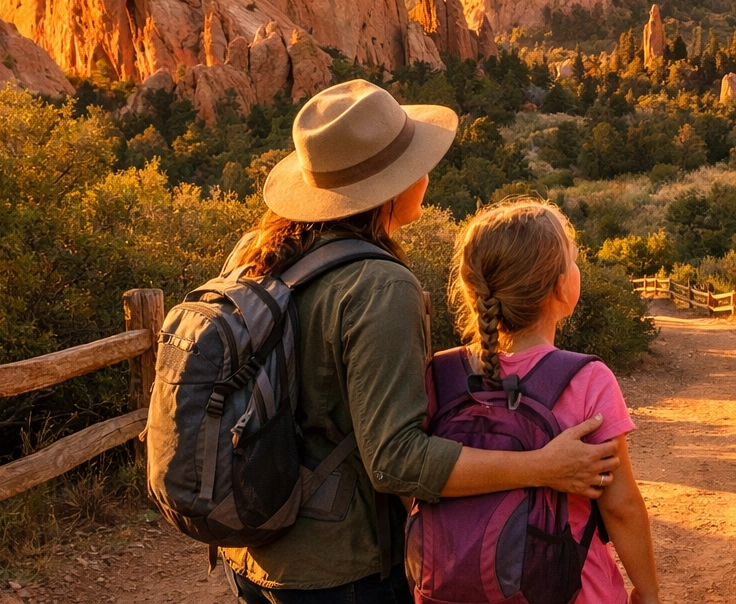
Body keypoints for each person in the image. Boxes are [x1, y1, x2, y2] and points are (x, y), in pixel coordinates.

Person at [220, 80, 619, 604]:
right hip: (338, 569)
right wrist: (542, 465)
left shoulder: (256, 254)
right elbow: (397, 460)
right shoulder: (378, 284)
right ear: (387, 187)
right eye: (414, 161)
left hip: (254, 548)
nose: (425, 172)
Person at [446, 200, 661, 604]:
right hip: (573, 589)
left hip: (460, 585)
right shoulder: (587, 380)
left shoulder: (442, 376)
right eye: (573, 260)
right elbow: (620, 507)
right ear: (563, 287)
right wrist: (647, 590)